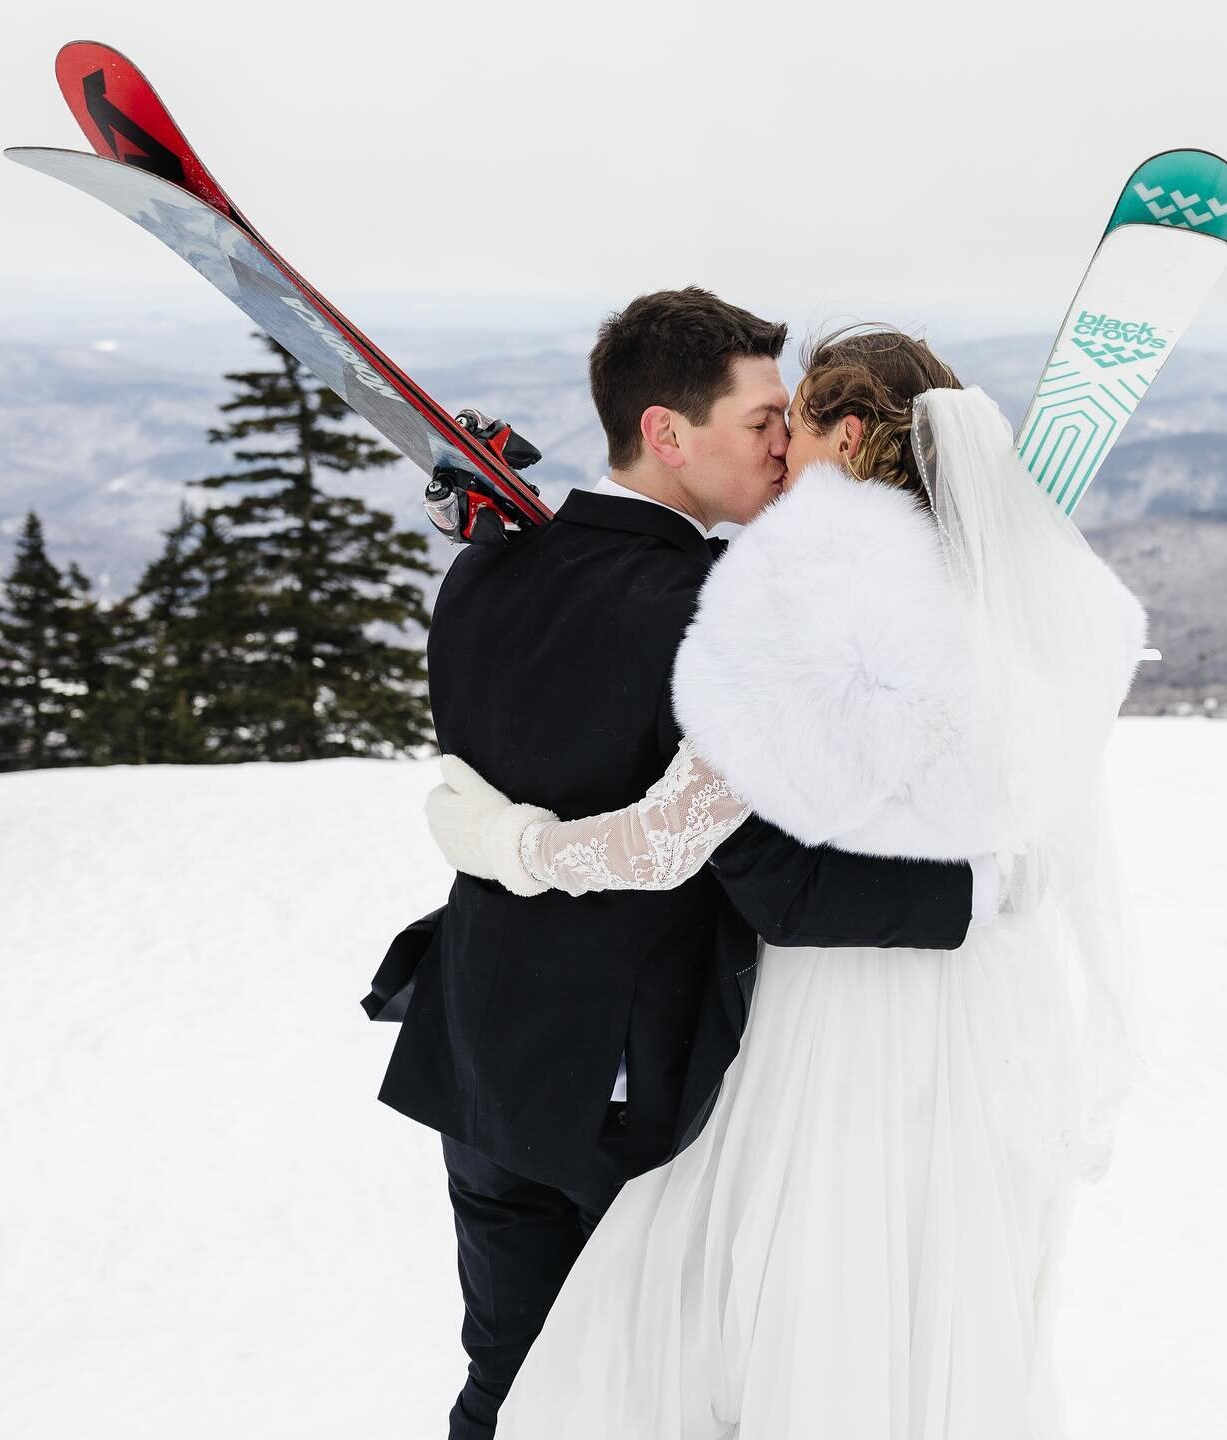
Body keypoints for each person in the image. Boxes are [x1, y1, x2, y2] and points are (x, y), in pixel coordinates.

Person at [427, 326, 1148, 1438]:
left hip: (817, 1031)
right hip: (973, 1017)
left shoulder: (794, 599)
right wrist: (986, 893)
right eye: (762, 425)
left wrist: (503, 843)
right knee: (916, 1306)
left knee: (718, 1329)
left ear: (846, 437)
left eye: (790, 424)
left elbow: (679, 842)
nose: (776, 453)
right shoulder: (1000, 593)